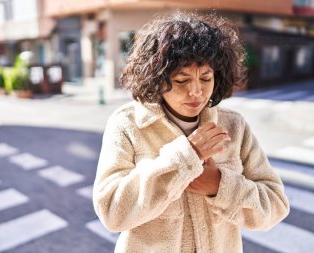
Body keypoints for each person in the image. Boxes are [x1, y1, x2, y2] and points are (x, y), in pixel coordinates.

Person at [93, 11, 289, 253]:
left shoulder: (234, 126)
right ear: (157, 78)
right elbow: (111, 212)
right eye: (182, 80)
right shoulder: (128, 124)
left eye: (206, 78)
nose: (196, 91)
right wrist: (185, 158)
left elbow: (276, 206)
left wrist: (219, 186)